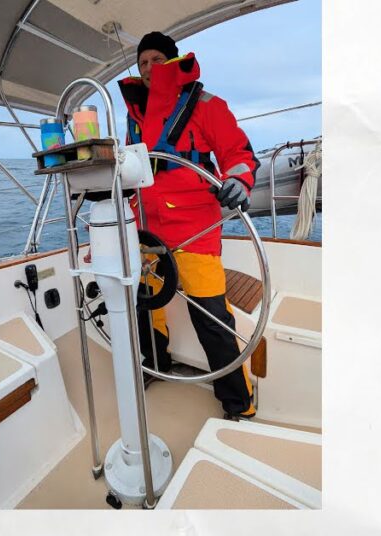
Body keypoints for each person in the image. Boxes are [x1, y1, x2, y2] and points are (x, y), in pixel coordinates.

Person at [117, 31, 260, 420]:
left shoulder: (207, 105)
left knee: (211, 316)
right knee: (147, 306)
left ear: (171, 61)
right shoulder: (134, 115)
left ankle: (238, 402)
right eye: (142, 62)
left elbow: (239, 153)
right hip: (148, 228)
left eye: (155, 60)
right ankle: (156, 366)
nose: (147, 68)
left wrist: (238, 179)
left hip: (194, 228)